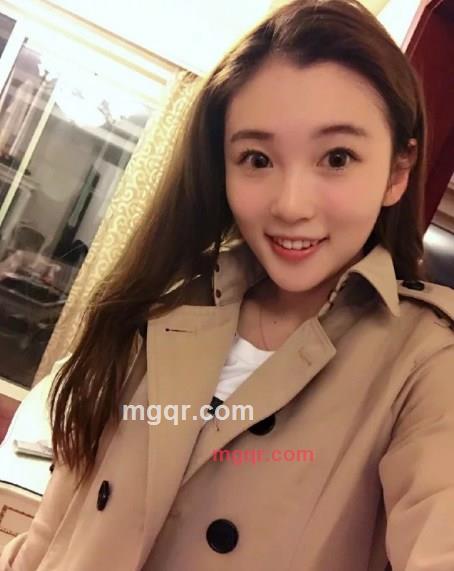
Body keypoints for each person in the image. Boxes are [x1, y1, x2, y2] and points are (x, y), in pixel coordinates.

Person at [1, 0, 453, 569]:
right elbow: (55, 527)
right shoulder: (166, 301)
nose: (290, 205)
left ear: (397, 171)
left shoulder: (427, 363)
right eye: (257, 158)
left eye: (337, 157)